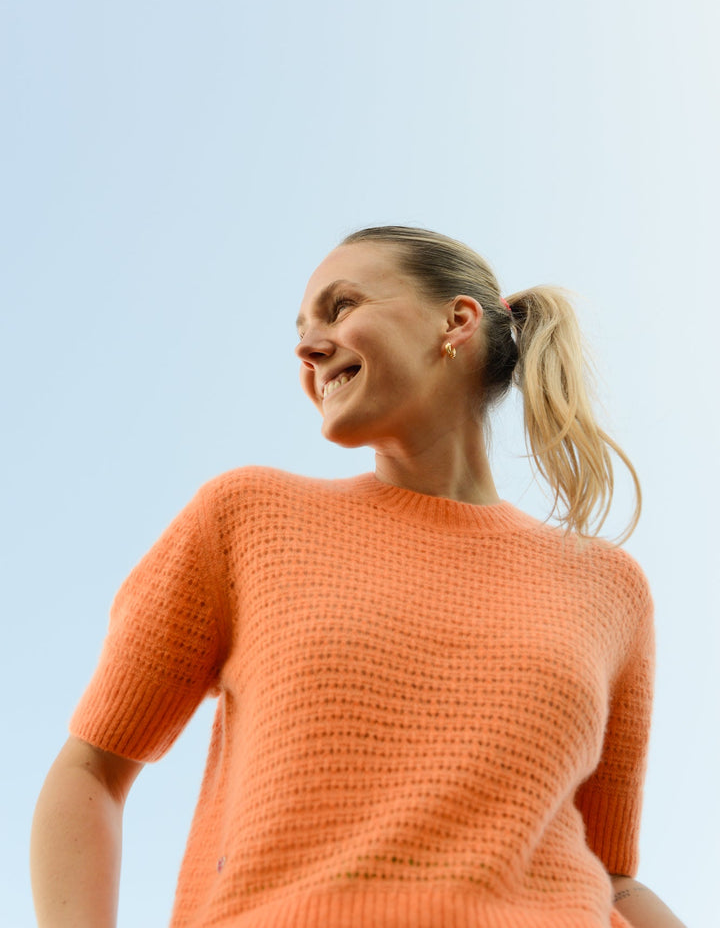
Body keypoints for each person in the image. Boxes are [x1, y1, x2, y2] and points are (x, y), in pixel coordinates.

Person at [31, 226, 687, 928]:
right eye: (301, 330)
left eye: (340, 307)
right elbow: (91, 771)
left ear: (457, 321)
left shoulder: (609, 585)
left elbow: (612, 877)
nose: (308, 347)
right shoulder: (248, 517)